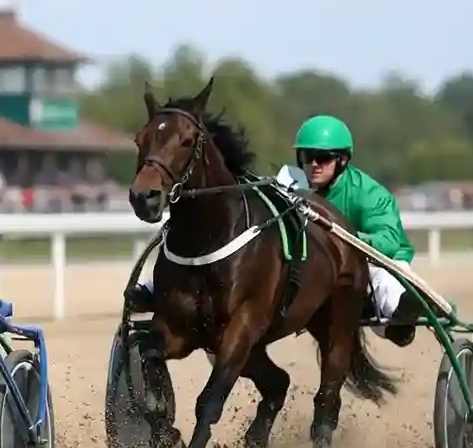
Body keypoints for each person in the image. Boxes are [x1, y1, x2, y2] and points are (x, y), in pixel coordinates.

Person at [127, 114, 419, 346]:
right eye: (307, 157)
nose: (313, 165)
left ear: (342, 160)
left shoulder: (370, 194)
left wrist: (350, 240)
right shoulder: (292, 182)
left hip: (374, 260)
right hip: (314, 266)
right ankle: (159, 289)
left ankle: (397, 316)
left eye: (323, 158)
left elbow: (390, 240)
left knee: (382, 277)